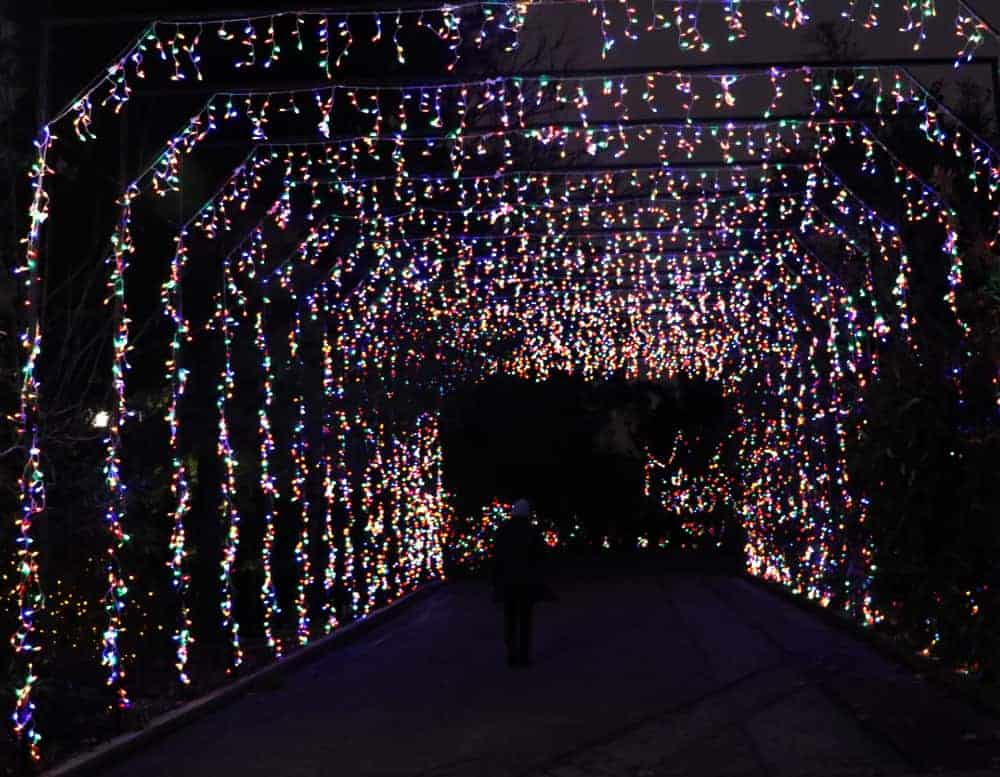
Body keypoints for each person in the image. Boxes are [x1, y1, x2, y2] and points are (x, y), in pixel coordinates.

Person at [492, 498, 547, 668]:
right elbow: (541, 556)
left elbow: (497, 557)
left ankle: (511, 653)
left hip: (508, 582)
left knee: (510, 618)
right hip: (527, 582)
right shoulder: (532, 531)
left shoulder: (503, 530)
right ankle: (524, 656)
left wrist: (496, 579)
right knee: (525, 619)